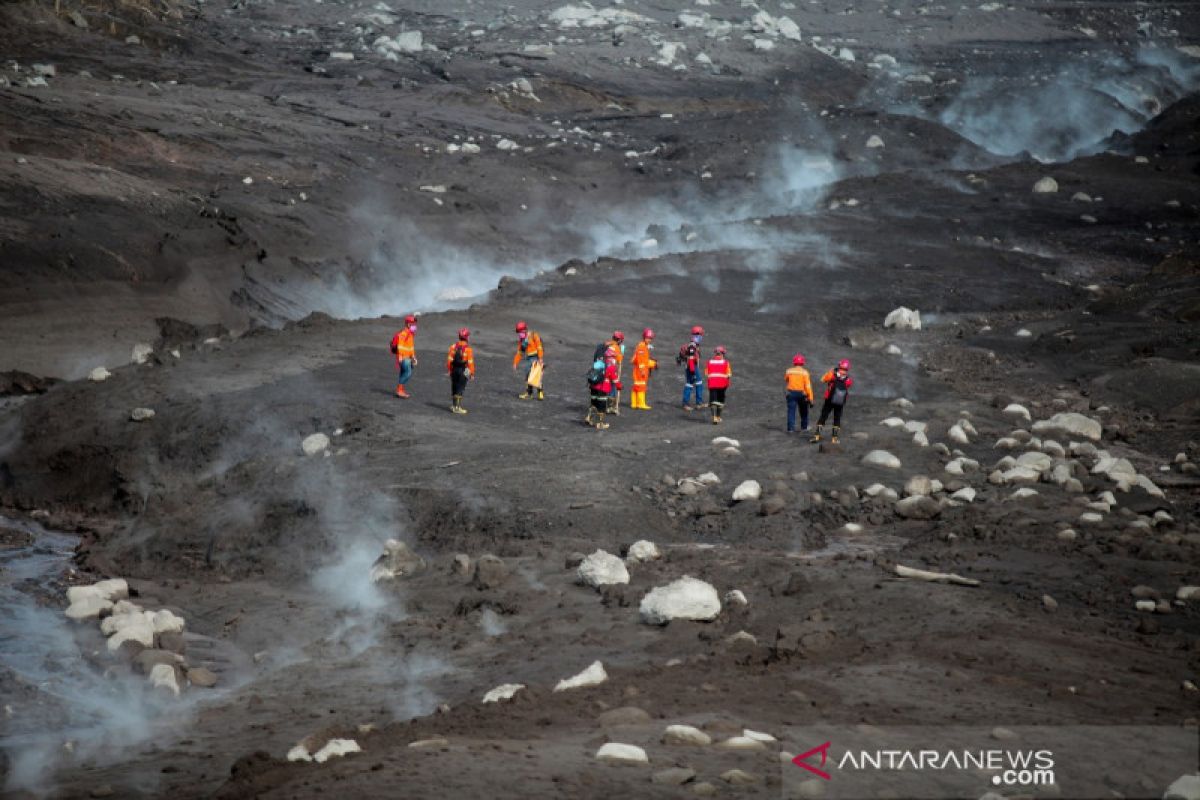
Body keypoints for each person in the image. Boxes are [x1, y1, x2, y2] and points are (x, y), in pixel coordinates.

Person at [811, 359, 853, 444]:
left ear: (839, 366)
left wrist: (831, 371)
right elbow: (848, 386)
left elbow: (822, 379)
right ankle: (834, 438)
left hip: (829, 399)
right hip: (840, 401)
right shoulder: (848, 380)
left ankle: (817, 436)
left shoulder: (832, 375)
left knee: (823, 416)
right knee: (837, 418)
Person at [585, 347, 620, 429]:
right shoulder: (610, 366)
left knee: (594, 404)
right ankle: (599, 424)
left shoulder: (598, 363)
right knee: (601, 407)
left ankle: (589, 419)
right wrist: (619, 386)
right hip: (602, 389)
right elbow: (614, 379)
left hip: (593, 387)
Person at [512, 321, 545, 400]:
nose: (520, 334)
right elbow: (520, 352)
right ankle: (529, 393)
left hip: (536, 358)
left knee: (536, 375)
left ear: (525, 330)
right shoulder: (522, 341)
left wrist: (540, 358)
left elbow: (539, 347)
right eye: (519, 332)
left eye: (520, 332)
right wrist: (515, 362)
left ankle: (540, 392)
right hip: (529, 358)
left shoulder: (534, 335)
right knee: (528, 375)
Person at [446, 328, 475, 415]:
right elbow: (470, 363)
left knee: (454, 387)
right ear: (466, 337)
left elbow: (449, 361)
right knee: (461, 388)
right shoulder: (468, 349)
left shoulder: (453, 347)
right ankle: (457, 408)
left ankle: (454, 405)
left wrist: (450, 370)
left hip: (454, 369)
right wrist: (471, 374)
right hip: (464, 370)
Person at [677, 325, 706, 411]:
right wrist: (693, 371)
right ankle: (696, 403)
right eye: (700, 335)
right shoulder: (692, 346)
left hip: (691, 367)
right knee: (697, 383)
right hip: (692, 367)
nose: (701, 337)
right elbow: (691, 359)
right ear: (697, 335)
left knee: (690, 383)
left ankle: (690, 403)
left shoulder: (694, 345)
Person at [389, 314, 418, 398]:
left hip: (408, 357)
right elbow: (400, 346)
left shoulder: (410, 334)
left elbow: (411, 347)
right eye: (413, 324)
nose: (415, 326)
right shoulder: (404, 333)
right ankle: (399, 390)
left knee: (403, 373)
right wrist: (401, 357)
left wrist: (413, 357)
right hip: (404, 357)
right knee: (408, 373)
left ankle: (400, 390)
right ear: (408, 324)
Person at [785, 354, 814, 433]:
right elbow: (808, 386)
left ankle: (790, 429)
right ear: (803, 363)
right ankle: (804, 427)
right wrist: (811, 398)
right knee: (804, 411)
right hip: (802, 394)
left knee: (791, 411)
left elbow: (786, 379)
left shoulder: (789, 371)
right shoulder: (805, 372)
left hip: (791, 393)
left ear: (794, 362)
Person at [629, 328, 658, 410]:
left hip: (638, 369)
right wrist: (642, 371)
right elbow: (641, 360)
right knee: (641, 387)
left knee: (636, 387)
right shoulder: (642, 347)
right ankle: (641, 404)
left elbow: (643, 359)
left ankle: (634, 403)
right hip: (640, 370)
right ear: (644, 337)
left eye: (650, 338)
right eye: (648, 338)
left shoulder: (642, 345)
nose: (649, 340)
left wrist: (651, 363)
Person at [704, 346, 731, 424]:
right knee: (720, 402)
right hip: (722, 385)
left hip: (712, 385)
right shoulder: (726, 363)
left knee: (713, 402)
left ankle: (714, 418)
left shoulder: (709, 362)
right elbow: (728, 374)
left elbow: (706, 374)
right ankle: (718, 417)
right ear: (722, 354)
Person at [604, 330, 626, 414]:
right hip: (611, 369)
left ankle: (605, 405)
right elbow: (619, 360)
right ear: (619, 340)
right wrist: (622, 353)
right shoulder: (616, 347)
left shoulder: (607, 344)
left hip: (604, 368)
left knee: (605, 386)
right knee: (612, 387)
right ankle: (610, 407)